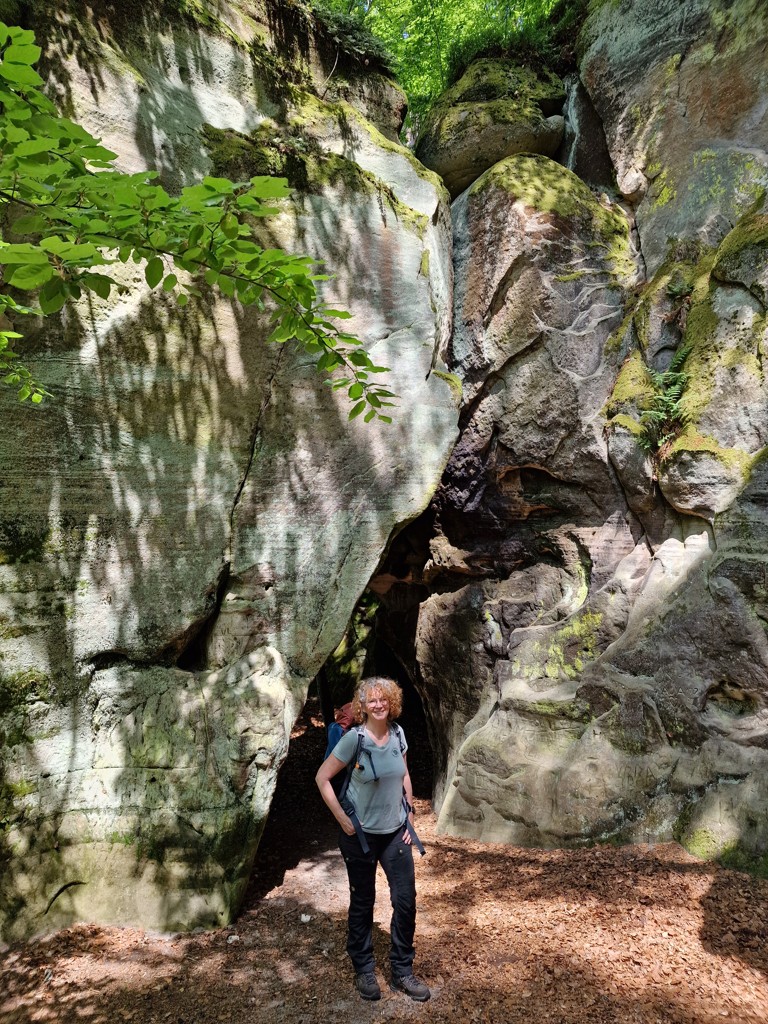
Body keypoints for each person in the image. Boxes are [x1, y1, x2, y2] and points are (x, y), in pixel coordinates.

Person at [315, 676, 430, 1003]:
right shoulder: (354, 740)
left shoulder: (397, 734)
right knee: (363, 902)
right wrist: (342, 819)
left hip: (395, 833)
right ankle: (364, 968)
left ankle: (402, 970)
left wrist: (409, 813)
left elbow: (404, 774)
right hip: (360, 837)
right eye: (371, 701)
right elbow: (322, 778)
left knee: (405, 901)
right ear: (362, 706)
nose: (378, 705)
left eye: (384, 699)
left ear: (390, 703)